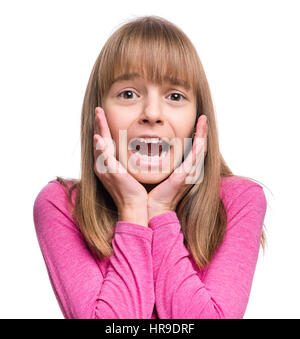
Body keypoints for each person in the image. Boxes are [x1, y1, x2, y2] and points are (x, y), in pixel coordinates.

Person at [33, 15, 267, 319]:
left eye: (175, 96)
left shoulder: (239, 201)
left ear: (199, 121)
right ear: (97, 114)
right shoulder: (61, 205)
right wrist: (132, 210)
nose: (152, 114)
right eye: (128, 94)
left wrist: (161, 211)